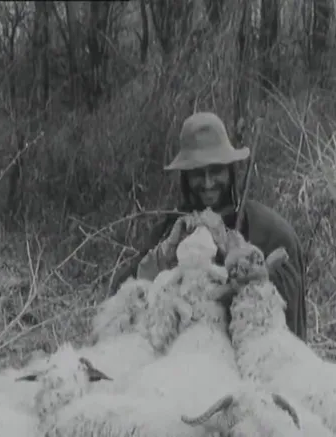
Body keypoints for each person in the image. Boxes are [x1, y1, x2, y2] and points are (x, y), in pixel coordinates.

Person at [111, 112, 308, 342]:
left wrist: (234, 254)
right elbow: (119, 293)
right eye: (197, 174)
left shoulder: (270, 231)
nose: (207, 184)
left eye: (215, 171)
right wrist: (167, 252)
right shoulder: (173, 228)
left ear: (230, 171)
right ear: (185, 178)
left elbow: (289, 312)